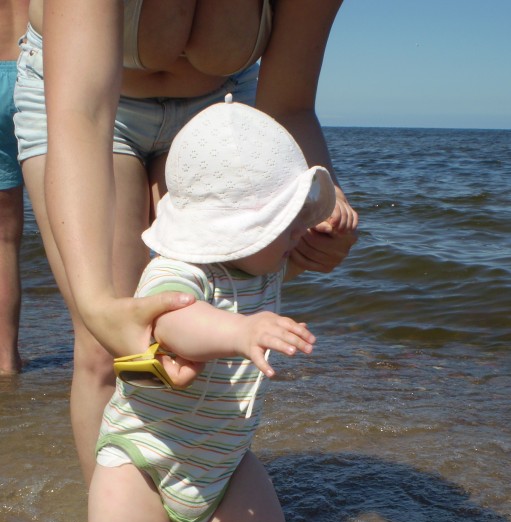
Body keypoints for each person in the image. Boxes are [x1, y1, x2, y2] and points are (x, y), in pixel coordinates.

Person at [13, 0, 358, 487]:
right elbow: (82, 111)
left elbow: (290, 106)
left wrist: (318, 207)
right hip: (83, 102)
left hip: (220, 112)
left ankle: (199, 508)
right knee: (107, 347)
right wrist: (96, 304)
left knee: (219, 316)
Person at [89, 96, 336, 522]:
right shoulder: (176, 270)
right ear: (237, 232)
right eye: (285, 227)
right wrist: (240, 330)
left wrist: (327, 217)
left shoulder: (262, 260)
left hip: (223, 456)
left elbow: (297, 235)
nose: (294, 239)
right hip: (142, 454)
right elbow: (174, 323)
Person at [0, 0, 28, 375]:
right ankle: (99, 352)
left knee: (3, 239)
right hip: (35, 67)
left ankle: (6, 360)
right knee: (74, 228)